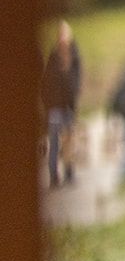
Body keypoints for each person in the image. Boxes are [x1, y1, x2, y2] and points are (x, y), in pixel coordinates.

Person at [42, 20, 82, 188]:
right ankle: (53, 175)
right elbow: (46, 84)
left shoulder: (74, 58)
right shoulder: (53, 59)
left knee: (69, 142)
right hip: (55, 108)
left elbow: (76, 83)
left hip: (68, 107)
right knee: (55, 143)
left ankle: (69, 172)